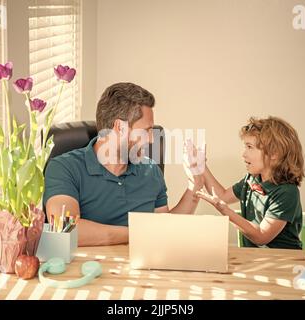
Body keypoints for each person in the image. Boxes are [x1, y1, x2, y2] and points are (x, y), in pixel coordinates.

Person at [44, 82, 203, 246]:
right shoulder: (64, 168)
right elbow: (65, 229)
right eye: (146, 130)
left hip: (144, 266)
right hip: (89, 269)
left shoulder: (150, 170)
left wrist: (195, 186)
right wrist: (142, 232)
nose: (151, 139)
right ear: (119, 127)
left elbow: (164, 225)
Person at [195, 116, 305, 249]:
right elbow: (222, 195)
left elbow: (261, 236)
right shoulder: (251, 179)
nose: (244, 154)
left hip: (284, 260)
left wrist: (225, 210)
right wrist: (201, 166)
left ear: (274, 153)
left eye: (250, 147)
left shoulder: (287, 192)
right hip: (254, 259)